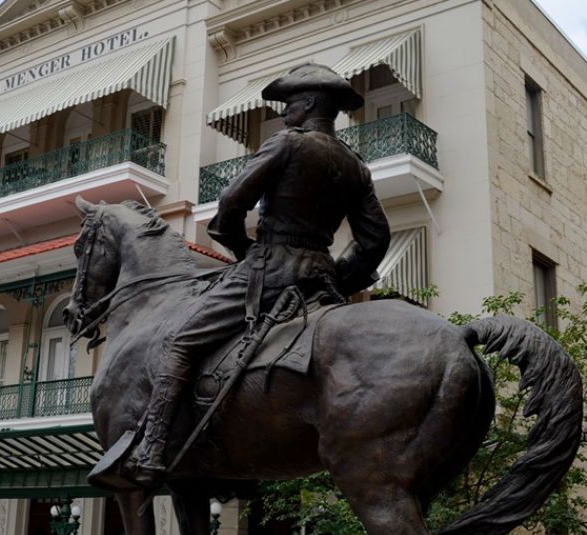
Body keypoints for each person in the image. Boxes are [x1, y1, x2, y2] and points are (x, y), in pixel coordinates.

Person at [126, 63, 391, 486]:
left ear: (308, 105)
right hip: (321, 278)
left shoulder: (285, 143)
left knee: (181, 340)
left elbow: (232, 202)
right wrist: (340, 280)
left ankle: (153, 446)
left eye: (290, 105)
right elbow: (376, 239)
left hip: (270, 270)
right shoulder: (355, 165)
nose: (285, 114)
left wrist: (242, 249)